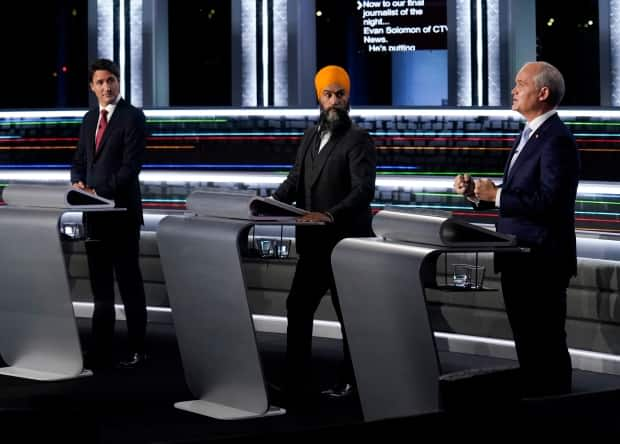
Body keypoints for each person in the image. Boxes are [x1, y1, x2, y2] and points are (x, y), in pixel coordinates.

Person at [454, 61, 580, 397]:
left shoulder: (557, 140)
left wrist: (497, 195)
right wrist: (479, 196)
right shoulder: (529, 135)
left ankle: (557, 411)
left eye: (520, 84)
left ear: (542, 92)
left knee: (546, 347)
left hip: (541, 260)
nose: (513, 90)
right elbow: (519, 195)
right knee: (529, 349)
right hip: (518, 258)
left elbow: (550, 201)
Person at [272, 65, 377, 405]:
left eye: (340, 94)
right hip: (314, 245)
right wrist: (268, 203)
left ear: (349, 97)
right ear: (318, 97)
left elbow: (363, 191)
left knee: (350, 314)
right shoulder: (309, 136)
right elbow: (294, 181)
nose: (334, 101)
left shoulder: (358, 139)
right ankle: (297, 379)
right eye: (328, 95)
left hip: (346, 243)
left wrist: (330, 214)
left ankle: (352, 381)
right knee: (298, 306)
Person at [71, 58, 147, 369]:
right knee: (100, 288)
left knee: (129, 285)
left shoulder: (133, 117)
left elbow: (131, 168)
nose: (107, 86)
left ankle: (138, 349)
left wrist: (100, 193)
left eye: (111, 80)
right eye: (101, 82)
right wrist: (77, 184)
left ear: (119, 82)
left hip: (122, 215)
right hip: (94, 216)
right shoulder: (89, 119)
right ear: (92, 87)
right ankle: (100, 348)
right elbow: (79, 160)